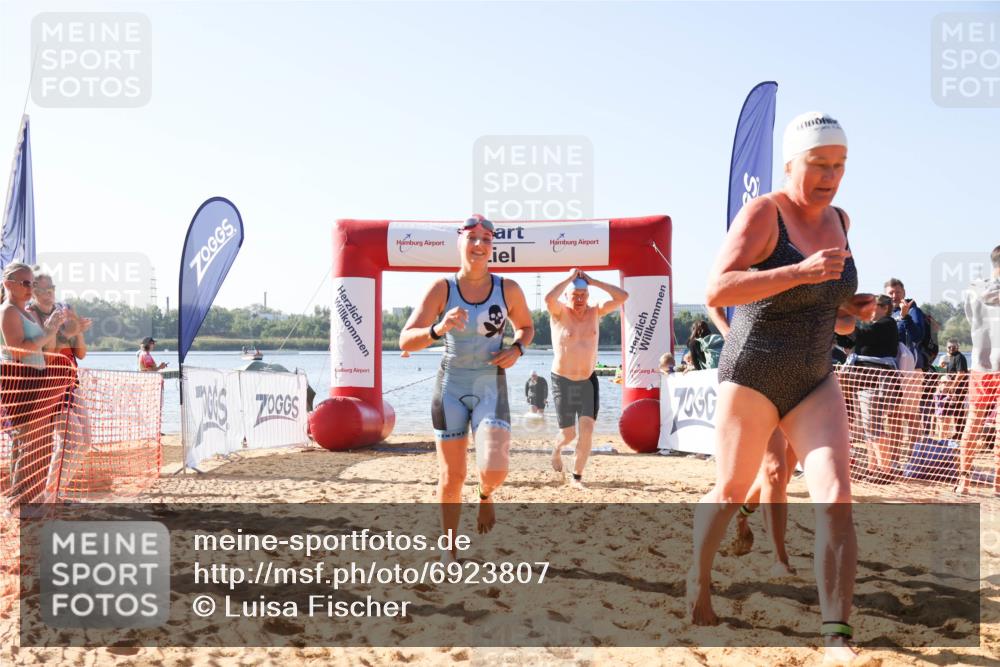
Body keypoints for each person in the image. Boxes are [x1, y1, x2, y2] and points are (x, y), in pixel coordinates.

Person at [689, 111, 874, 662]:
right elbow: (718, 288)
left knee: (837, 498)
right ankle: (698, 580)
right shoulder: (764, 212)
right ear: (792, 162)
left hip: (815, 375)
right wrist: (798, 271)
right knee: (731, 491)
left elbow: (830, 309)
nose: (831, 176)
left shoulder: (841, 217)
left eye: (839, 166)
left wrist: (849, 309)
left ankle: (836, 635)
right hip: (754, 372)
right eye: (819, 165)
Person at [399, 215, 533, 556]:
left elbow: (527, 327)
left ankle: (486, 495)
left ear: (492, 248)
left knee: (495, 469)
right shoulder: (442, 288)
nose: (479, 244)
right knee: (452, 476)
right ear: (460, 242)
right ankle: (450, 547)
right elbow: (405, 341)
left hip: (491, 386)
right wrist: (437, 329)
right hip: (451, 389)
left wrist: (517, 348)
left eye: (486, 239)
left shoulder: (508, 289)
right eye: (472, 238)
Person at [545, 269, 628, 489]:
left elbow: (623, 297)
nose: (580, 299)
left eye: (584, 294)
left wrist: (593, 281)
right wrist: (568, 279)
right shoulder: (559, 312)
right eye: (575, 295)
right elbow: (548, 298)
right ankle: (556, 449)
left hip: (587, 380)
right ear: (567, 296)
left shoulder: (595, 311)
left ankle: (577, 477)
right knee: (568, 434)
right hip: (562, 380)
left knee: (587, 430)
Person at [0, 262, 67, 502]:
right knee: (30, 441)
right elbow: (18, 350)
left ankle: (25, 498)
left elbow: (45, 347)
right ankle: (20, 500)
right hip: (20, 380)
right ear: (8, 284)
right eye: (26, 283)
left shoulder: (26, 311)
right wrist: (48, 330)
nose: (31, 287)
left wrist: (55, 327)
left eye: (33, 283)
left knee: (36, 440)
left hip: (35, 377)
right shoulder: (7, 310)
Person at [28, 271, 93, 497]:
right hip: (50, 386)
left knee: (85, 441)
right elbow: (50, 354)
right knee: (69, 439)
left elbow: (81, 354)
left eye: (51, 288)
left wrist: (78, 331)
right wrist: (65, 332)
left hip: (71, 382)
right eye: (43, 290)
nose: (49, 293)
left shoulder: (62, 311)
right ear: (34, 292)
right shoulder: (32, 314)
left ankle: (57, 490)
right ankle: (50, 494)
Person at [955, 245, 1000, 496]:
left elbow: (972, 320)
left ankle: (964, 481)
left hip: (980, 364)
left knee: (972, 424)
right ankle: (998, 484)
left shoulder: (973, 290)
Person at [848, 294, 901, 482]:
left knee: (875, 426)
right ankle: (873, 468)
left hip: (877, 380)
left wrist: (850, 318)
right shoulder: (874, 325)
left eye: (874, 305)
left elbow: (864, 333)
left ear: (885, 307)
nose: (870, 309)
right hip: (864, 379)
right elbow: (853, 340)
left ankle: (884, 470)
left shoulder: (887, 323)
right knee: (868, 426)